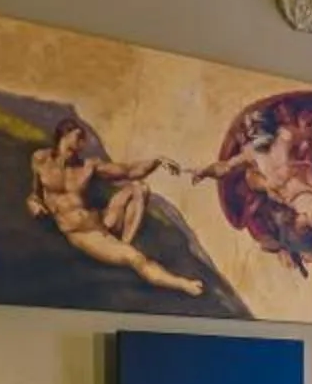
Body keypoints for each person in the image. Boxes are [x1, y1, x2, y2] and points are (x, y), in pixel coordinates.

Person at [27, 112, 206, 295]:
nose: (83, 143)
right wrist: (34, 204)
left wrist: (158, 161)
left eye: (84, 139)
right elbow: (34, 194)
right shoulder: (40, 160)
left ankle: (126, 242)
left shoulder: (88, 166)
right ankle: (183, 284)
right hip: (83, 233)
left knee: (139, 188)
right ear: (64, 135)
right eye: (79, 137)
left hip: (101, 221)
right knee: (135, 258)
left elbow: (128, 172)